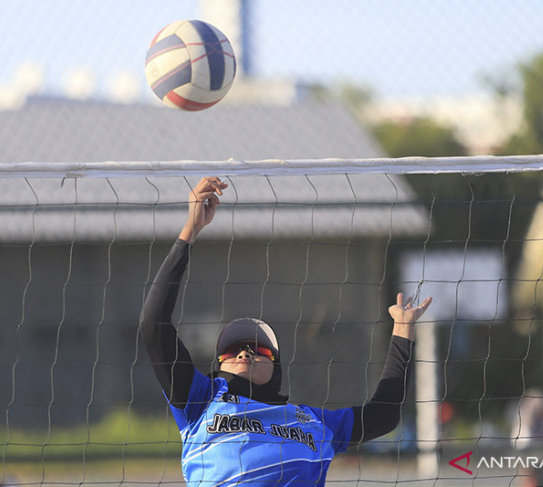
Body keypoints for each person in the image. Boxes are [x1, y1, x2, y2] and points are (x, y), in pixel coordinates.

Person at [140, 177, 432, 486]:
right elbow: (153, 323)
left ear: (276, 368)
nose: (244, 352)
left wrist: (402, 329)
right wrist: (191, 230)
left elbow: (383, 415)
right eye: (233, 349)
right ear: (218, 365)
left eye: (259, 349)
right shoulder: (200, 399)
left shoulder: (312, 420)